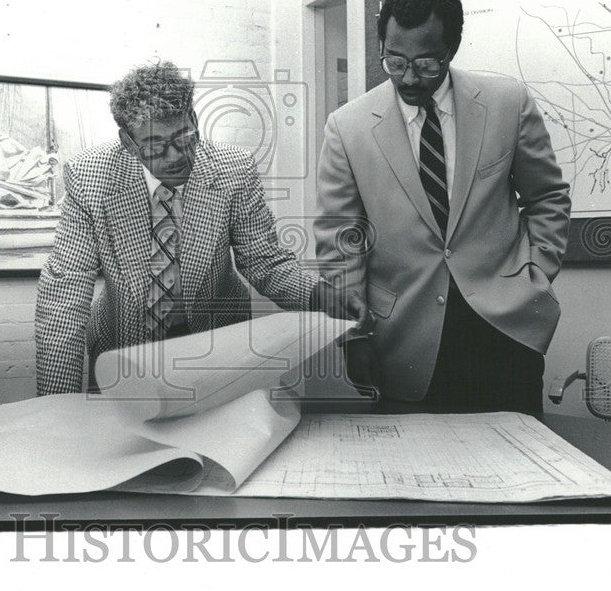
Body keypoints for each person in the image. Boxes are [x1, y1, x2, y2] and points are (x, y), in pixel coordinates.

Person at [314, 0, 571, 414]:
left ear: (451, 49)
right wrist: (353, 335)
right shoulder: (347, 127)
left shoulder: (508, 104)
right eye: (394, 61)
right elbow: (342, 239)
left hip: (504, 332)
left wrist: (536, 273)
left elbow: (547, 196)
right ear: (383, 45)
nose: (409, 77)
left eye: (426, 63)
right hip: (400, 344)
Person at [35, 61, 365, 395]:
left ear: (193, 119)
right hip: (123, 354)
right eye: (155, 146)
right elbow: (64, 294)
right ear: (128, 142)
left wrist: (317, 294)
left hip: (217, 357)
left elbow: (263, 261)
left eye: (184, 137)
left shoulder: (233, 170)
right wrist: (53, 405)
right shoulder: (90, 176)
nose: (176, 156)